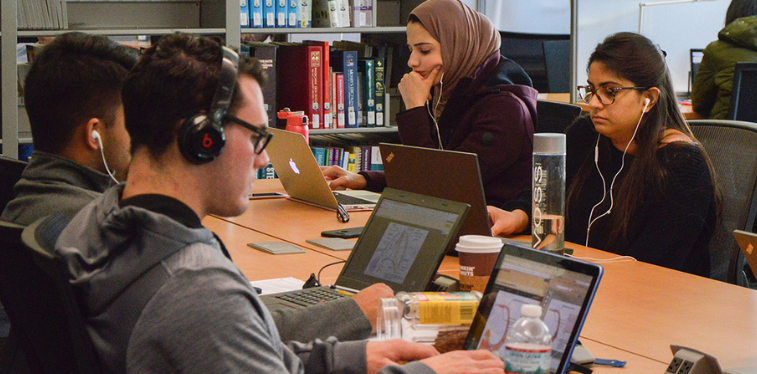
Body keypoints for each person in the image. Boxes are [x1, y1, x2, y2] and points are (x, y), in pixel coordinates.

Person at [52, 33, 504, 374]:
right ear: (201, 139)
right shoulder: (195, 286)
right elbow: (221, 329)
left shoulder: (98, 221)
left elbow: (240, 350)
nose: (264, 156)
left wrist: (351, 358)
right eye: (256, 137)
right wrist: (424, 372)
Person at [0, 33, 392, 345]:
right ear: (202, 138)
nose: (141, 127)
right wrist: (355, 317)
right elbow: (221, 328)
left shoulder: (78, 215)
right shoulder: (133, 242)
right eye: (129, 117)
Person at [489, 32, 718, 277]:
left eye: (610, 92)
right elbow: (548, 193)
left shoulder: (682, 165)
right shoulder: (586, 134)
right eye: (591, 89)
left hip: (656, 299)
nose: (594, 103)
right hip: (584, 281)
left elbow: (653, 266)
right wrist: (519, 215)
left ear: (649, 99)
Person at [321, 0, 536, 207]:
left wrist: (415, 109)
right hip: (449, 216)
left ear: (459, 47)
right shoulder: (452, 92)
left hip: (488, 233)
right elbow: (436, 172)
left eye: (424, 51)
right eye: (411, 50)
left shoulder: (505, 109)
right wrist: (365, 179)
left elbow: (437, 186)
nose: (412, 62)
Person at [1, 32, 138, 226]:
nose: (140, 136)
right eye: (132, 123)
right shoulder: (106, 227)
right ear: (94, 134)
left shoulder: (22, 203)